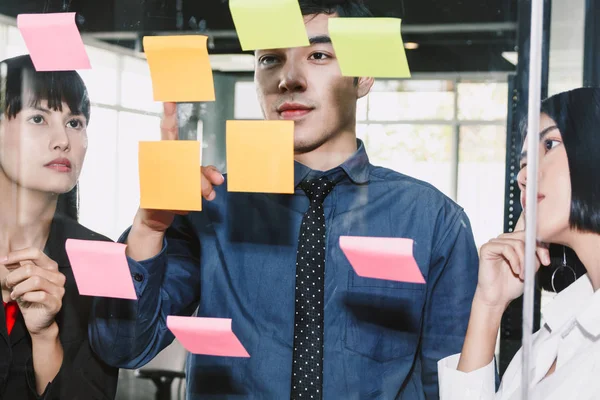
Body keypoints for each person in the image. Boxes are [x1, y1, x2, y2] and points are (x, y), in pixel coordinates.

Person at [90, 0, 479, 398]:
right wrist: (148, 228)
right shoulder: (208, 204)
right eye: (270, 59)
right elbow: (122, 346)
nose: (289, 78)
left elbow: (450, 386)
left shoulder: (433, 220)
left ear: (364, 76)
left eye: (319, 55)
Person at [438, 87, 600, 399]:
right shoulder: (550, 336)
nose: (522, 177)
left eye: (549, 144)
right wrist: (488, 305)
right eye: (523, 164)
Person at [0, 55, 118, 399]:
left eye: (75, 123)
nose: (62, 140)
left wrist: (45, 335)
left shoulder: (102, 258)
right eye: (38, 117)